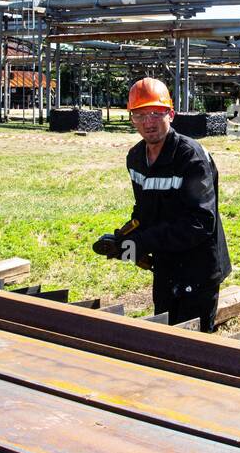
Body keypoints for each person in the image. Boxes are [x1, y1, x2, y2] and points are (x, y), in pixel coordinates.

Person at [92, 77, 231, 330]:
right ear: (131, 118)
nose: (148, 122)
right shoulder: (135, 158)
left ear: (171, 114)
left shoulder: (191, 157)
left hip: (198, 268)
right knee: (164, 332)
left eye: (156, 113)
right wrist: (125, 240)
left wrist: (144, 242)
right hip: (166, 264)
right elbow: (144, 211)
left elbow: (201, 223)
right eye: (140, 115)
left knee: (192, 345)